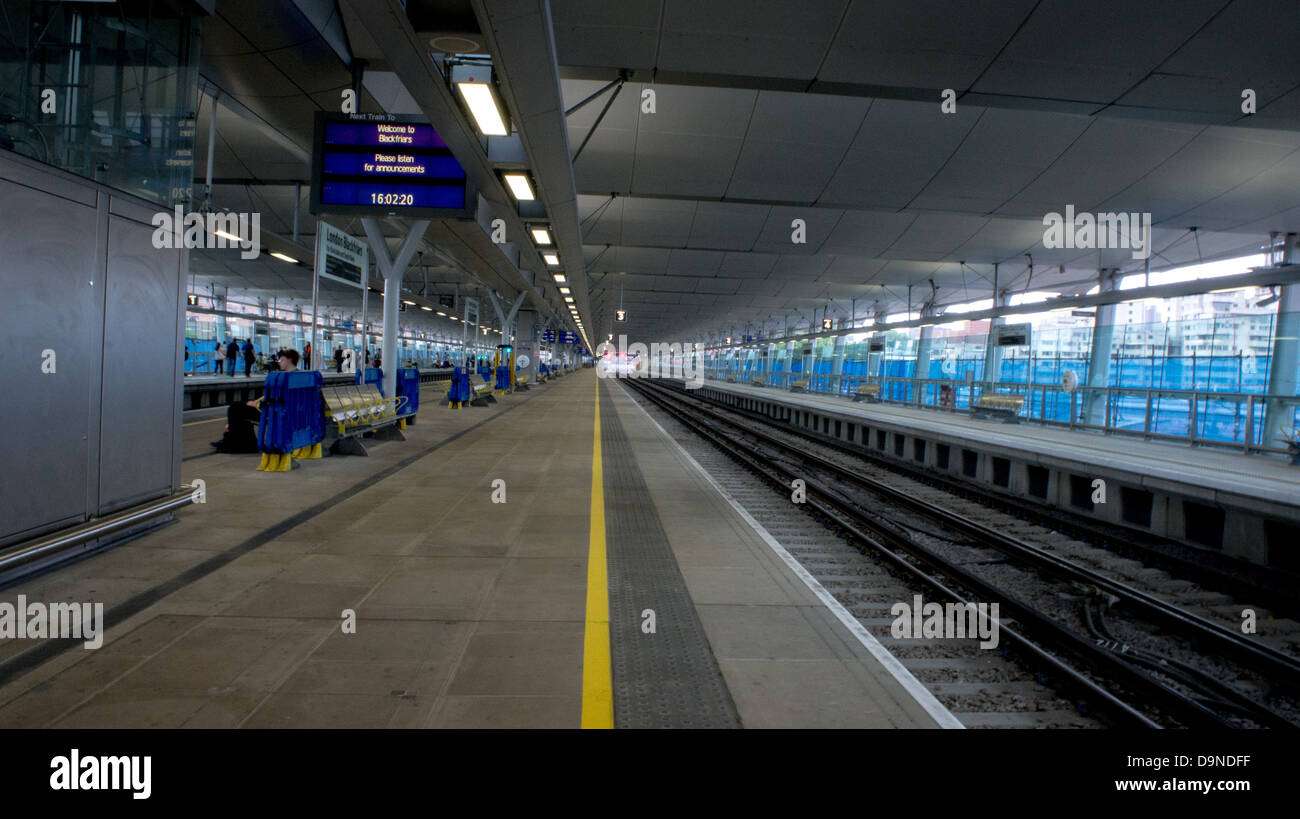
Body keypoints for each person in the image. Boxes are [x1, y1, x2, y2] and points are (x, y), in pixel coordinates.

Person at [210, 349, 300, 453]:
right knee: (241, 407)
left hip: (275, 413)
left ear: (289, 360)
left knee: (234, 409)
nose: (279, 362)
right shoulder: (299, 375)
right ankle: (239, 442)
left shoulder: (284, 377)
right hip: (286, 412)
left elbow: (271, 396)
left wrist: (255, 402)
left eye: (282, 360)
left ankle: (234, 444)